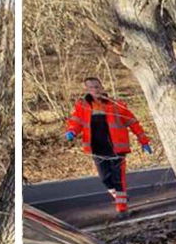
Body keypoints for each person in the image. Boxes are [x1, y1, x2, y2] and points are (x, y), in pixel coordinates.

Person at [64, 78, 151, 215]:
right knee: (105, 178)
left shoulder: (116, 105)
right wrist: (72, 131)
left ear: (102, 87)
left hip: (117, 148)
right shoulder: (82, 106)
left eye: (97, 86)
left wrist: (144, 141)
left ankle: (122, 209)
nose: (95, 90)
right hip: (97, 149)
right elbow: (76, 122)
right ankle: (119, 198)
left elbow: (133, 123)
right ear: (87, 90)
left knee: (118, 179)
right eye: (91, 87)